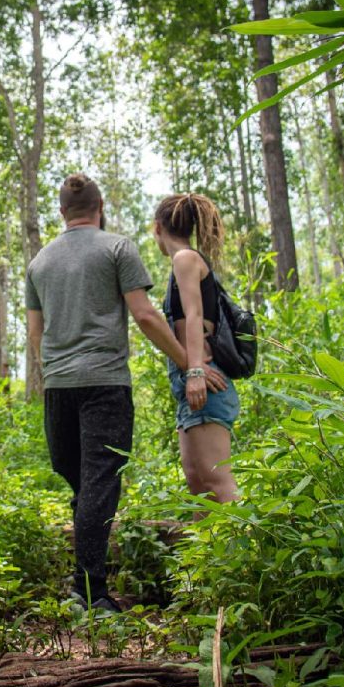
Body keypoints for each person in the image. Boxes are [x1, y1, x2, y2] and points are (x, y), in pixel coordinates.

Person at [25, 173, 193, 613]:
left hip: (58, 387)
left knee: (82, 481)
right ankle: (91, 593)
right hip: (105, 383)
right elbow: (145, 316)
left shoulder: (39, 263)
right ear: (100, 207)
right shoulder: (118, 247)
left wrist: (55, 371)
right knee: (98, 482)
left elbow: (34, 334)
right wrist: (189, 362)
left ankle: (83, 583)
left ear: (62, 213)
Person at [152, 193, 239, 505]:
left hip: (203, 377)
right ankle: (205, 554)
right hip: (189, 378)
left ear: (157, 228)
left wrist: (196, 372)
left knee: (216, 479)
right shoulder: (184, 262)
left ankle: (255, 548)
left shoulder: (185, 259)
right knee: (198, 483)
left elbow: (194, 316)